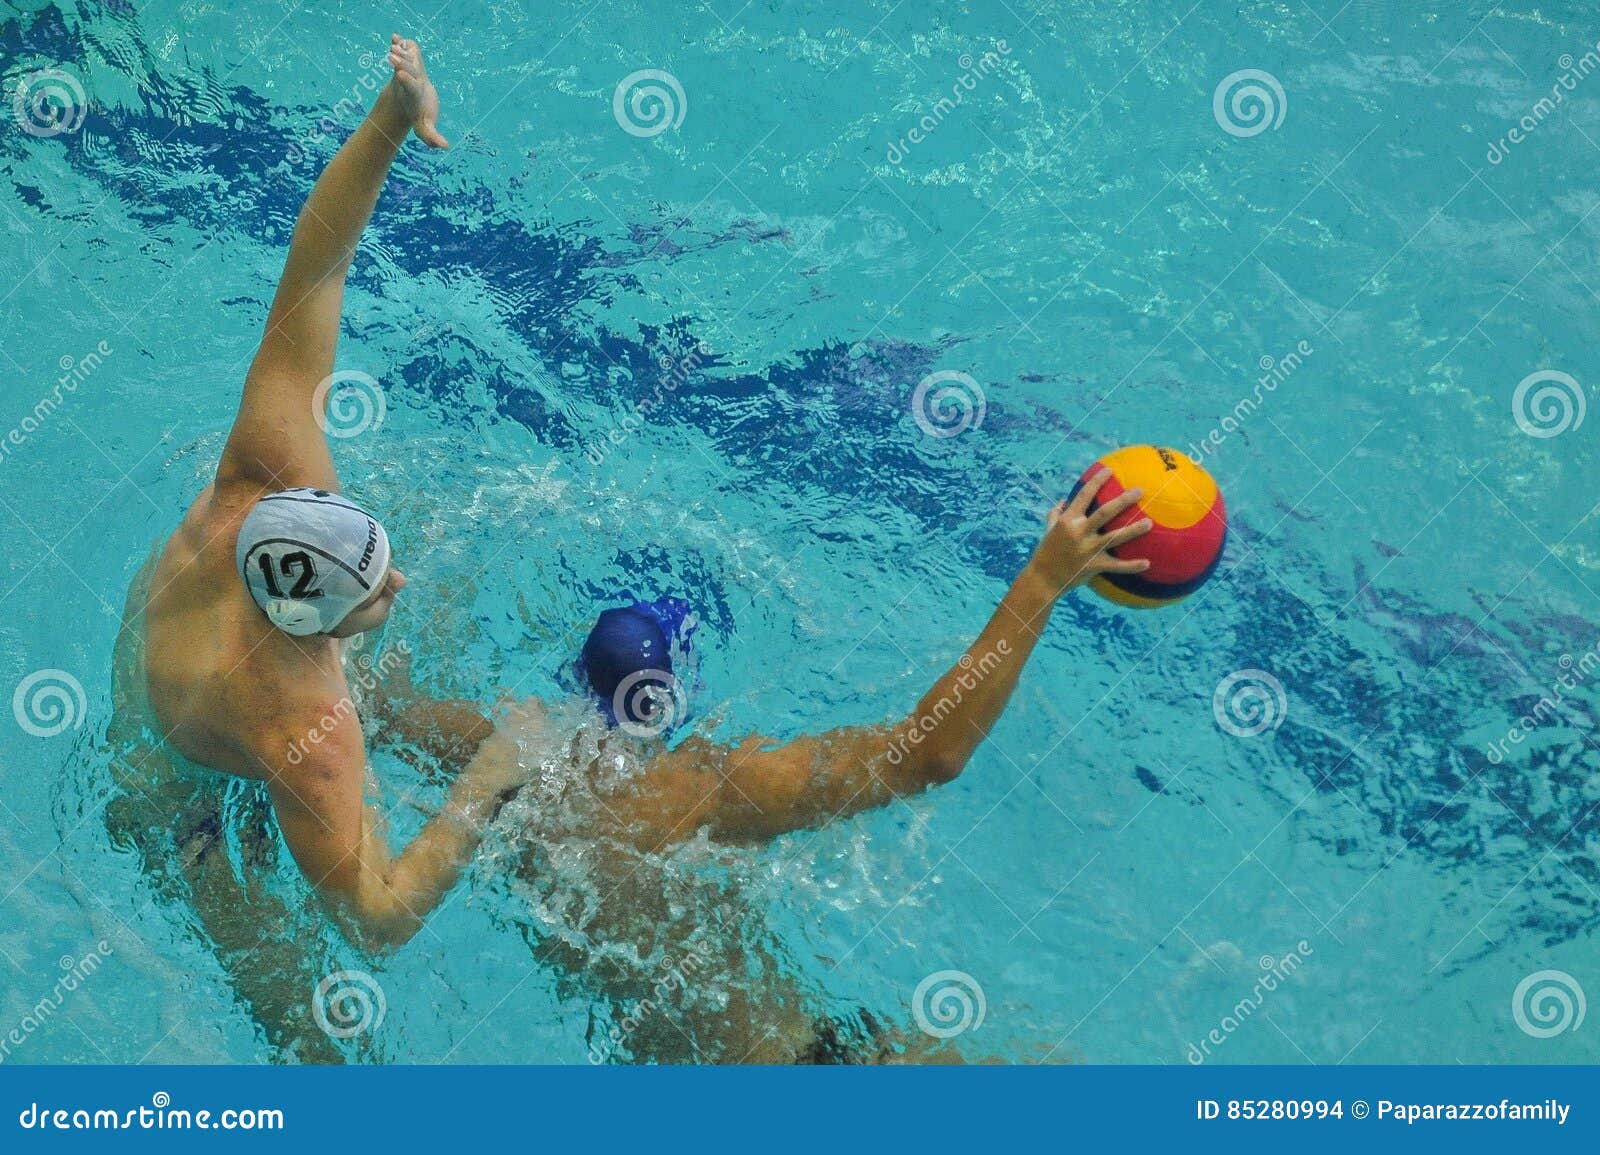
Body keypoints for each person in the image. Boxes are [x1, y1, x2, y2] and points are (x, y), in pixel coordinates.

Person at [381, 471, 1154, 1061]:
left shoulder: (500, 750)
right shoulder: (712, 788)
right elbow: (930, 755)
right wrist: (1043, 581)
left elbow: (372, 702)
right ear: (677, 702)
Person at [128, 35, 528, 950]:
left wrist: (393, 120)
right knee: (264, 963)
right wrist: (487, 781)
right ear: (308, 632)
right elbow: (375, 920)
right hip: (175, 762)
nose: (401, 585)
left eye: (379, 560)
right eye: (377, 590)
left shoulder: (268, 467)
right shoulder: (308, 730)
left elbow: (320, 258)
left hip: (164, 635)